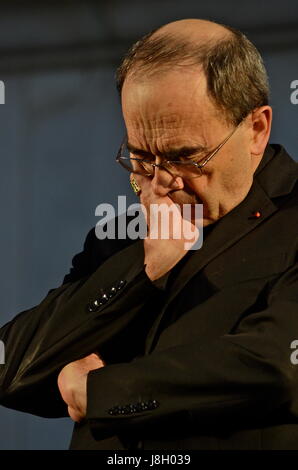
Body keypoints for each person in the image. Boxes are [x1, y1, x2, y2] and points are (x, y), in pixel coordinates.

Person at [0, 18, 298, 450]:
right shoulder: (122, 237)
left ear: (256, 129)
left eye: (186, 156)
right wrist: (141, 269)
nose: (160, 183)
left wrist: (101, 393)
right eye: (141, 157)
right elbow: (13, 370)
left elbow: (278, 367)